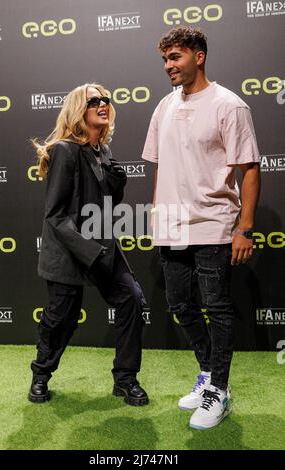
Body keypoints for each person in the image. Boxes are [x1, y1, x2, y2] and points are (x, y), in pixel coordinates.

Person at [142, 27, 260, 429]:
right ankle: (209, 373)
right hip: (173, 226)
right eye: (165, 60)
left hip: (214, 225)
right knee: (181, 306)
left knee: (218, 309)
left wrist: (244, 228)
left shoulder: (229, 105)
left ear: (199, 56)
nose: (168, 66)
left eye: (175, 57)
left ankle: (220, 391)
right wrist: (158, 217)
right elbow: (161, 170)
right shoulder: (163, 106)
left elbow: (249, 170)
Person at [28, 83, 149, 407]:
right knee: (61, 320)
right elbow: (55, 215)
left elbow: (107, 203)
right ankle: (40, 375)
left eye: (105, 99)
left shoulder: (102, 151)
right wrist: (89, 251)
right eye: (93, 100)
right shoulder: (65, 150)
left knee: (131, 300)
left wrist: (115, 178)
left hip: (102, 245)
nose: (102, 104)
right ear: (78, 110)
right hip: (70, 251)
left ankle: (125, 380)